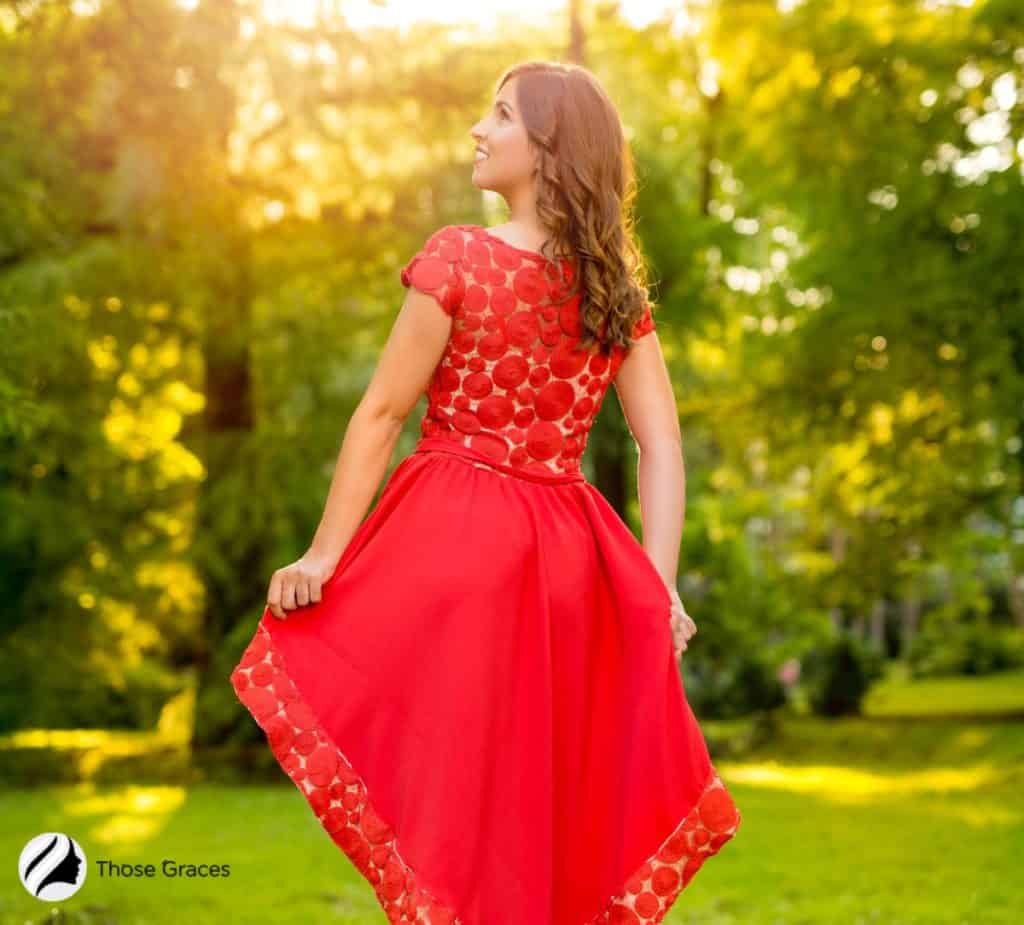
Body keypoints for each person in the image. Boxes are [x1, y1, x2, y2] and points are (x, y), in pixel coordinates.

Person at [231, 60, 741, 925]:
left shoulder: (458, 256)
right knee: (543, 792)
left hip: (454, 541)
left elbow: (383, 412)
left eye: (499, 117)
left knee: (459, 788)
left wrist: (326, 553)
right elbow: (661, 443)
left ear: (547, 150)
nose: (478, 129)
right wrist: (656, 584)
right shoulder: (615, 286)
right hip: (569, 566)